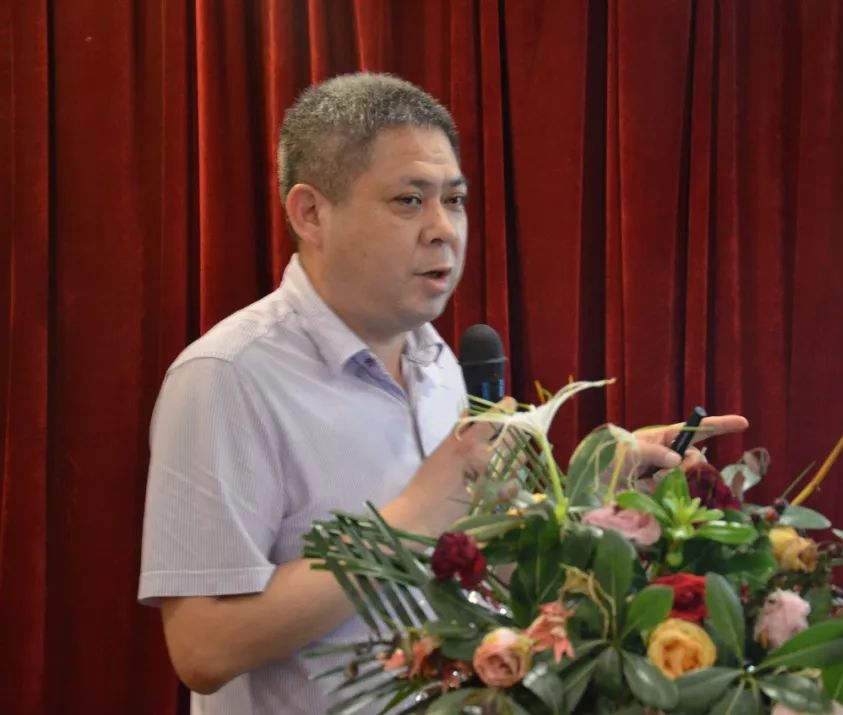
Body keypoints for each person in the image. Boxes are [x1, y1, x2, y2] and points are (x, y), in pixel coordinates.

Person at [138, 72, 748, 714]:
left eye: (453, 200)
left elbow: (479, 568)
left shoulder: (439, 363)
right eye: (409, 201)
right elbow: (203, 647)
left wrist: (596, 492)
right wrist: (410, 518)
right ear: (311, 213)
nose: (443, 230)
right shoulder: (228, 376)